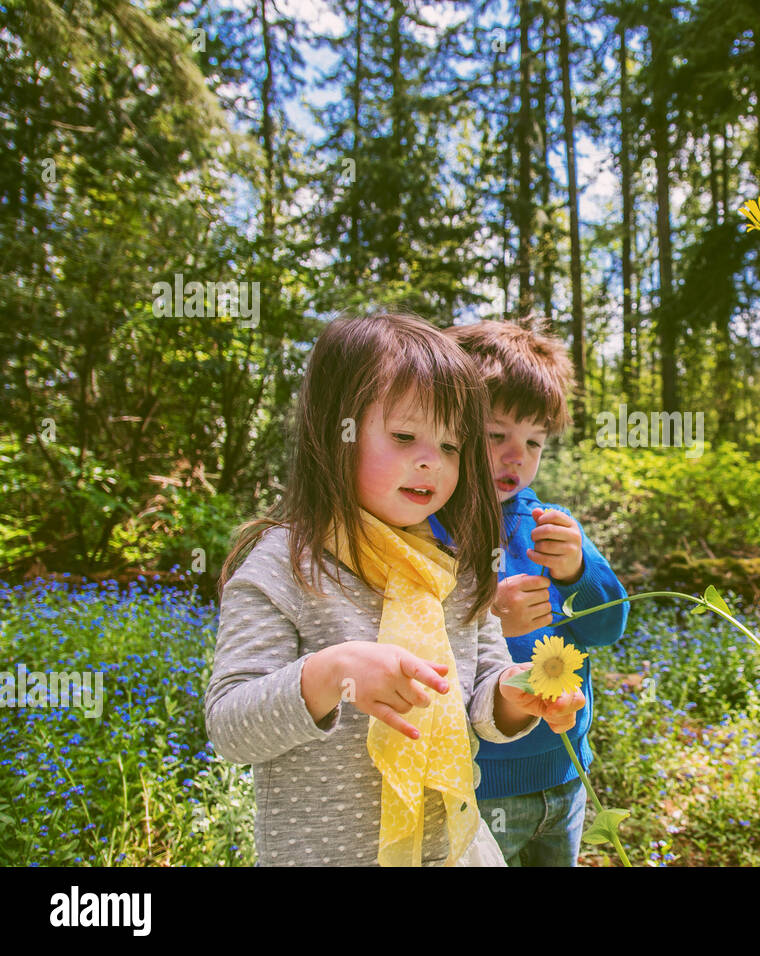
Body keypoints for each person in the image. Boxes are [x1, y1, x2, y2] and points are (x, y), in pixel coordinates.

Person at [205, 312, 583, 867]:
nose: (430, 460)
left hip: (446, 850)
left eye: (452, 446)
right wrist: (329, 673)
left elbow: (481, 697)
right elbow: (230, 728)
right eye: (404, 436)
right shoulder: (283, 569)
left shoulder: (455, 570)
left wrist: (513, 694)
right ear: (336, 430)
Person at [445, 319, 628, 867]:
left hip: (566, 772)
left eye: (533, 442)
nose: (515, 456)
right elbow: (426, 652)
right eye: (496, 434)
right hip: (481, 785)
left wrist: (577, 572)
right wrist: (490, 620)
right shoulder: (433, 530)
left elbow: (607, 627)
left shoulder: (553, 526)